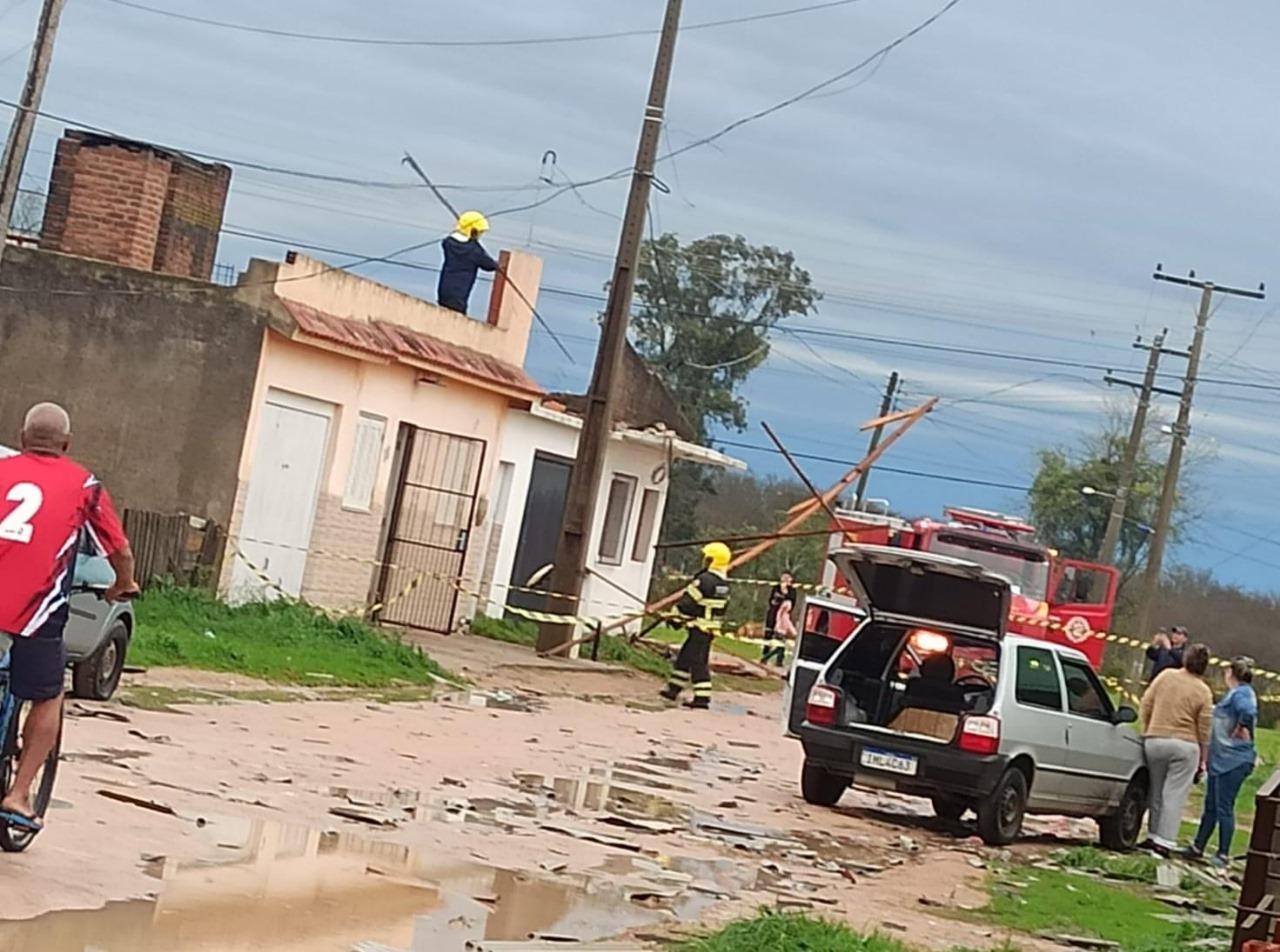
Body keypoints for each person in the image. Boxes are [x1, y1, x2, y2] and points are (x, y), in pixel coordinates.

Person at [0, 403, 138, 832]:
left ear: (22, 438)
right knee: (48, 695)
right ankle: (18, 795)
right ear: (66, 444)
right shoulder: (84, 485)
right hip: (34, 610)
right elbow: (119, 550)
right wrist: (123, 584)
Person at [1139, 642, 1214, 856]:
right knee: (1174, 794)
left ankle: (1152, 834)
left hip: (1156, 739)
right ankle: (1165, 841)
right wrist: (1203, 759)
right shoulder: (1203, 691)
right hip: (1185, 745)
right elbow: (1204, 729)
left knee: (1156, 790)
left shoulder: (1166, 676)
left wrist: (1147, 729)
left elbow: (1146, 703)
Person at [1186, 656, 1258, 867]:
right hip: (1220, 760)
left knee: (1224, 806)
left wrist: (1241, 727)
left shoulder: (1241, 693)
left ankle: (1223, 853)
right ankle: (1198, 846)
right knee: (1211, 805)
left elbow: (1248, 711)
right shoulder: (1236, 693)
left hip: (1233, 760)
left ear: (1230, 673)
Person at [659, 541, 732, 710]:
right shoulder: (723, 584)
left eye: (706, 558)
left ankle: (702, 698)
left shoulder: (704, 580)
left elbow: (688, 603)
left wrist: (674, 617)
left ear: (711, 560)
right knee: (685, 657)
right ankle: (673, 689)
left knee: (698, 661)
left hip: (699, 627)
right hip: (710, 627)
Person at [438, 210, 498, 315]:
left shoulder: (448, 243)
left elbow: (453, 239)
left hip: (444, 289)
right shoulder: (474, 250)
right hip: (460, 293)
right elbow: (489, 265)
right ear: (473, 231)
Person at [760, 571, 797, 667]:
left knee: (781, 639)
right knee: (768, 635)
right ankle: (764, 656)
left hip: (782, 617)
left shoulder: (792, 591)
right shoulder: (776, 588)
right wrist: (774, 601)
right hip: (772, 614)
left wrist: (785, 591)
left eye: (788, 578)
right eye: (784, 577)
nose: (785, 579)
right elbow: (771, 600)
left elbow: (791, 603)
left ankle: (779, 660)